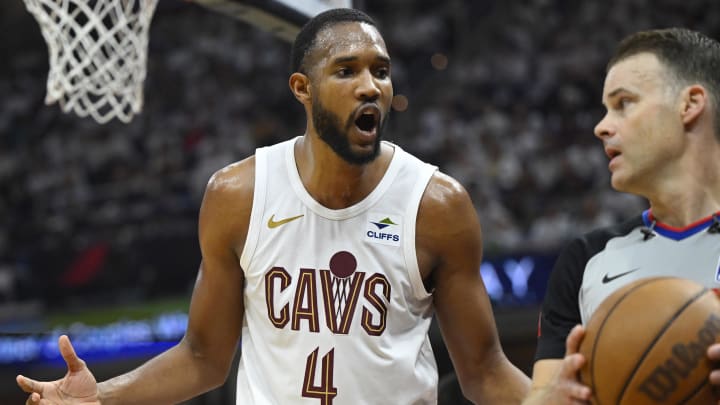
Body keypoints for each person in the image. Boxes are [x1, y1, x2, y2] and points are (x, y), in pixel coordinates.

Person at [16, 8, 530, 404]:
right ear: (303, 89)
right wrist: (99, 396)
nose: (371, 86)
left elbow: (484, 371)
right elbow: (202, 358)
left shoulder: (438, 205)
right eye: (346, 70)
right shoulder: (237, 196)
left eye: (381, 71)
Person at [523, 27, 720, 404]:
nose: (601, 127)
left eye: (623, 103)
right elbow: (541, 396)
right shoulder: (586, 259)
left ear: (690, 104)